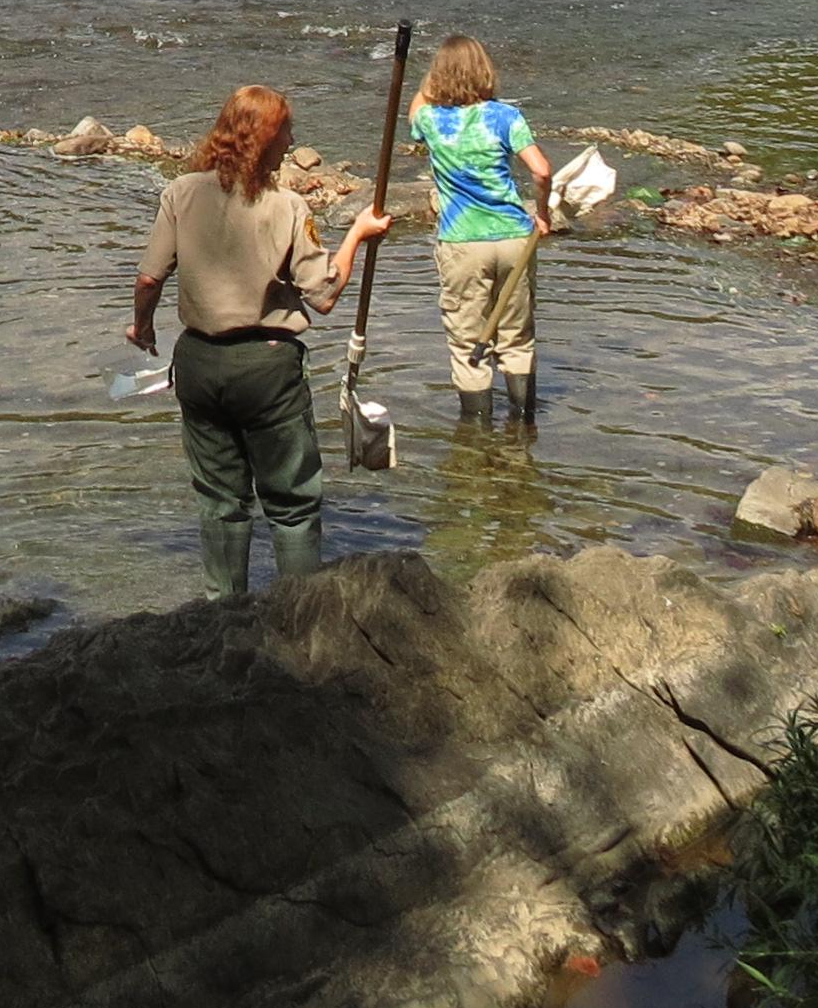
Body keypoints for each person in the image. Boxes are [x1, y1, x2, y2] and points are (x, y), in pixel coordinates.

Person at [128, 85, 393, 600]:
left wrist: (142, 327)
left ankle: (222, 614)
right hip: (268, 369)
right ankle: (299, 615)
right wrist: (358, 234)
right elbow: (325, 295)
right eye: (287, 130)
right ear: (267, 140)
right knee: (291, 502)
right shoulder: (288, 207)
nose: (293, 139)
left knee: (220, 500)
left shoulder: (180, 194)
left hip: (199, 364)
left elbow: (148, 279)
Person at [410, 33, 553, 425]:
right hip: (512, 238)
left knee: (467, 342)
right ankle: (523, 427)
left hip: (462, 242)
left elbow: (416, 107)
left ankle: (476, 436)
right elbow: (541, 170)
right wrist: (542, 213)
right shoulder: (505, 116)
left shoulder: (431, 120)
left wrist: (433, 78)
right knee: (517, 339)